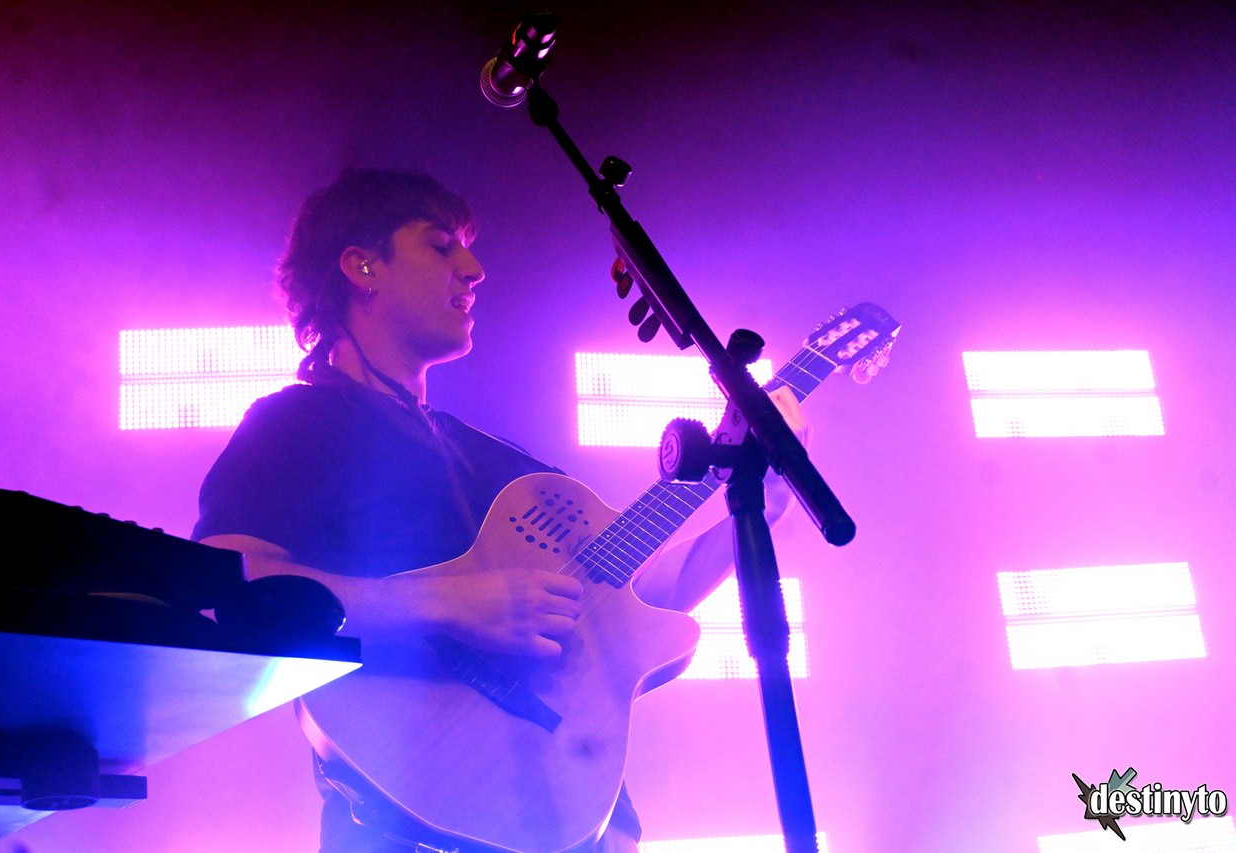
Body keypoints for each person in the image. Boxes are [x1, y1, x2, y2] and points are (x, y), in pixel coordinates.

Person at [194, 168, 807, 852]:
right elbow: (222, 584)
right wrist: (449, 603)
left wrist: (761, 510)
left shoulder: (494, 457)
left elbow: (629, 604)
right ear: (363, 266)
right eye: (440, 245)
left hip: (583, 816)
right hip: (406, 823)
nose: (474, 269)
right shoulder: (295, 422)